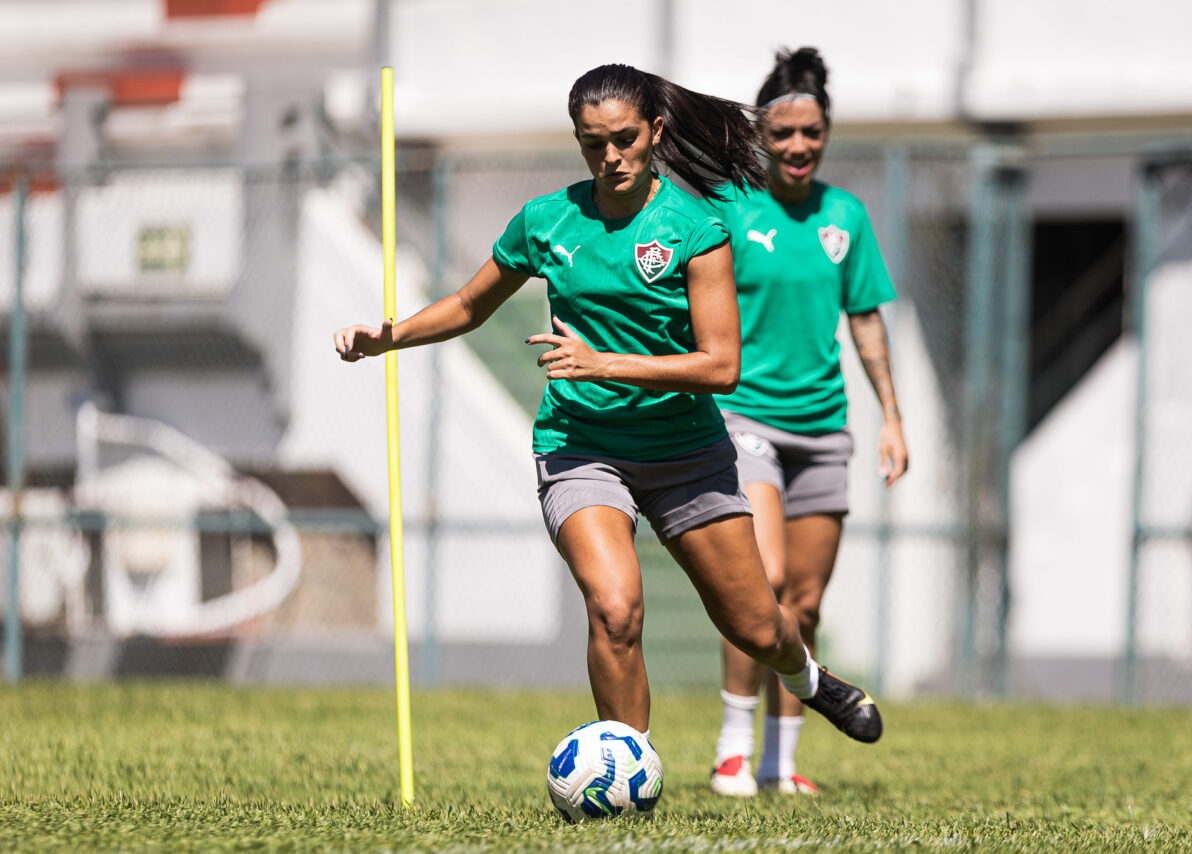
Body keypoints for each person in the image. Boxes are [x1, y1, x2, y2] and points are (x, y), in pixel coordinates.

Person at [333, 63, 882, 752]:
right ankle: (626, 769)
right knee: (615, 609)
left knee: (756, 627)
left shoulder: (695, 227)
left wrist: (606, 364)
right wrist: (392, 335)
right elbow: (471, 305)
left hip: (686, 453)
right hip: (580, 447)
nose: (610, 156)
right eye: (593, 143)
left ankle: (808, 679)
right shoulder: (547, 221)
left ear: (654, 131)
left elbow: (721, 365)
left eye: (624, 138)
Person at [701, 48, 907, 797]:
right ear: (761, 133)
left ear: (826, 133)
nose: (796, 146)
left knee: (807, 603)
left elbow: (867, 323)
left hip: (823, 428)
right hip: (743, 417)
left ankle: (780, 762)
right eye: (782, 132)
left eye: (810, 133)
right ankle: (731, 746)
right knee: (767, 581)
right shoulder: (730, 207)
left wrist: (892, 418)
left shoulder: (845, 215)